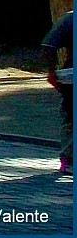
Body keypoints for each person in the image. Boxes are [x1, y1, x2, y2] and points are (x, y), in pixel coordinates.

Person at [45, 9, 72, 175]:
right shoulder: (71, 18)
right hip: (72, 76)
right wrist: (52, 71)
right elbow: (48, 45)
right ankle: (69, 159)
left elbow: (48, 45)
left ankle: (69, 159)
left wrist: (51, 72)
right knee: (71, 116)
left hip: (70, 75)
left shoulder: (70, 18)